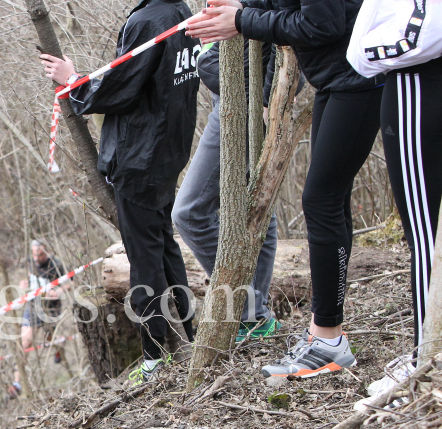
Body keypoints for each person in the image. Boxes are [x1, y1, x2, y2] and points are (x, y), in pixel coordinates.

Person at [188, 0, 385, 378]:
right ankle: (325, 335)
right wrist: (240, 10)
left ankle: (328, 339)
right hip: (334, 78)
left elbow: (320, 24)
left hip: (359, 79)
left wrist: (243, 20)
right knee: (328, 200)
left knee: (321, 200)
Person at [40, 0, 201, 383]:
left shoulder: (150, 20)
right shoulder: (179, 10)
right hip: (166, 148)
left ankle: (154, 357)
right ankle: (194, 334)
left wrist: (72, 79)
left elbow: (120, 87)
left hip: (141, 157)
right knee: (163, 244)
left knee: (145, 256)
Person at [347, 5, 442, 406]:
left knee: (425, 235)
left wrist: (364, 53)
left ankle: (429, 362)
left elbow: (413, 37)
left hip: (416, 87)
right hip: (416, 82)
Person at [172, 41, 282, 342]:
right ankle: (255, 314)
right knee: (255, 202)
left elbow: (285, 31)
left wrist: (266, 95)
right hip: (227, 97)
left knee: (188, 212)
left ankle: (249, 311)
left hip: (246, 101)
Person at [9, 239, 68, 398]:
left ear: (46, 252)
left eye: (40, 254)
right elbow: (29, 277)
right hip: (33, 306)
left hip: (51, 307)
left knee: (49, 339)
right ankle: (17, 383)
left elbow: (69, 283)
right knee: (25, 342)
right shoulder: (31, 262)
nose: (37, 257)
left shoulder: (56, 264)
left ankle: (58, 349)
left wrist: (59, 291)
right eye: (35, 254)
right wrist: (25, 282)